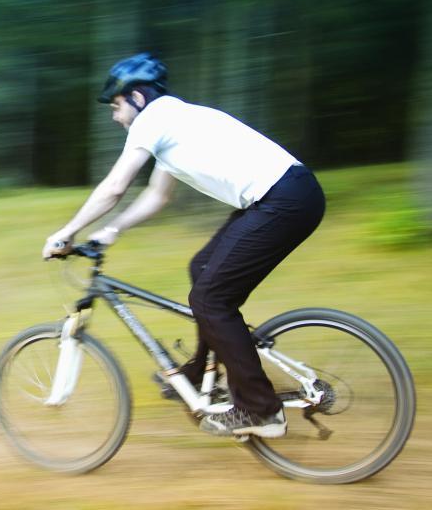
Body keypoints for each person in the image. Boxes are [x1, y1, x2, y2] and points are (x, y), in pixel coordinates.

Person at [42, 53, 325, 438]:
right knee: (202, 270)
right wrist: (113, 229)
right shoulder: (175, 125)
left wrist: (67, 232)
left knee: (210, 299)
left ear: (137, 99)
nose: (114, 116)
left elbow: (114, 187)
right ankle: (202, 373)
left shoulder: (155, 121)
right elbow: (157, 196)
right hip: (281, 198)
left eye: (116, 105)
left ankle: (260, 410)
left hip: (283, 201)